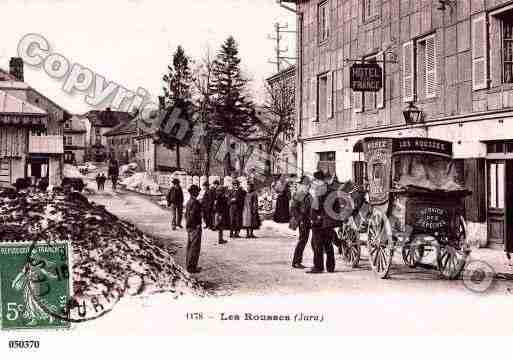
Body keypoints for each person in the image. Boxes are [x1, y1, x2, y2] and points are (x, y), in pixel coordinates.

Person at [308, 171, 338, 274]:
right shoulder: (332, 190)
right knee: (329, 245)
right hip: (329, 223)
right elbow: (336, 208)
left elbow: (315, 206)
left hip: (319, 222)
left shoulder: (319, 190)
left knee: (318, 246)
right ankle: (330, 267)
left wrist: (313, 218)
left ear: (317, 180)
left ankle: (318, 267)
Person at [290, 176, 312, 269]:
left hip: (307, 220)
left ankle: (297, 261)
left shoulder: (308, 195)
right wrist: (300, 219)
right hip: (302, 221)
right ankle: (296, 262)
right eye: (307, 185)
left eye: (309, 185)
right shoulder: (299, 194)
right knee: (302, 240)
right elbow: (293, 209)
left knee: (304, 240)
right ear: (302, 185)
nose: (308, 187)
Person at [185, 184, 203, 273]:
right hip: (194, 227)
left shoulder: (189, 202)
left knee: (190, 246)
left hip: (190, 226)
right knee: (194, 247)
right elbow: (192, 215)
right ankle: (192, 267)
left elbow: (187, 215)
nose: (198, 192)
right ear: (194, 192)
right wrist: (195, 225)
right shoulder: (194, 202)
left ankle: (189, 265)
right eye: (197, 191)